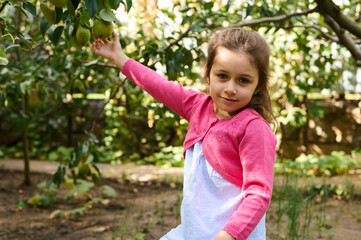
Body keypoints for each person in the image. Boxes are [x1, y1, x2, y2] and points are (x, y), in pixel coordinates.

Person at [92, 27, 277, 240]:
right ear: (208, 73)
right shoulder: (197, 107)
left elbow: (259, 194)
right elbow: (157, 85)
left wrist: (228, 236)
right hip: (193, 233)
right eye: (223, 76)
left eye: (243, 80)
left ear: (258, 84)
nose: (230, 88)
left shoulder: (254, 129)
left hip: (233, 236)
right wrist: (119, 57)